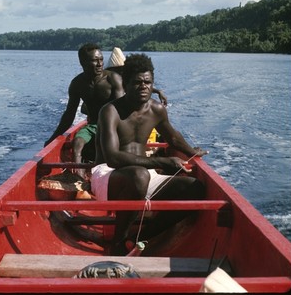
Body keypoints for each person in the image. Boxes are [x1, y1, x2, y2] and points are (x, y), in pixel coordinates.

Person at [92, 53, 208, 255]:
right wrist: (161, 160)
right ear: (125, 84)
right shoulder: (110, 111)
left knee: (195, 189)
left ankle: (141, 237)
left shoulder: (157, 109)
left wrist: (192, 151)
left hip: (143, 175)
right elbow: (112, 157)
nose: (143, 86)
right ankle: (118, 243)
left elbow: (173, 138)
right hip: (107, 175)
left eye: (148, 82)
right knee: (139, 175)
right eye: (137, 82)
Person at [44, 43, 125, 174]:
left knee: (102, 141)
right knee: (77, 142)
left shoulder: (113, 79)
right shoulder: (77, 84)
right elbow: (69, 114)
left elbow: (122, 109)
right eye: (95, 60)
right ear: (83, 62)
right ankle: (78, 175)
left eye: (101, 59)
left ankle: (101, 172)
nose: (100, 64)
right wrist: (53, 137)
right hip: (92, 125)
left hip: (113, 125)